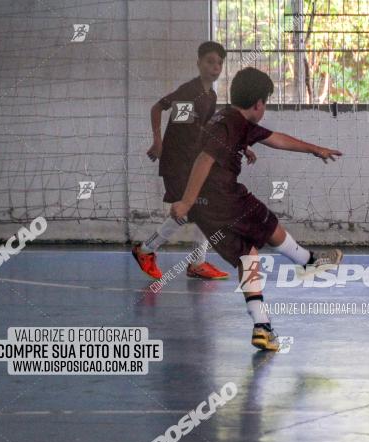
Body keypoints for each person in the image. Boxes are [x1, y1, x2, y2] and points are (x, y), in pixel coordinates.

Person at [170, 67, 343, 351]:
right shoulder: (236, 123)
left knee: (248, 257)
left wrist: (241, 149)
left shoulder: (225, 117)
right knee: (270, 227)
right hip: (226, 198)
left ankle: (261, 326)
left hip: (206, 208)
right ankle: (309, 262)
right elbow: (204, 158)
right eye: (266, 104)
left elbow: (270, 139)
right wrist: (185, 201)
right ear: (259, 104)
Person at [132, 41, 241, 280]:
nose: (215, 67)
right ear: (199, 62)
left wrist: (238, 145)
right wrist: (157, 142)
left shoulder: (210, 95)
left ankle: (196, 263)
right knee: (189, 210)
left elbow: (206, 129)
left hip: (192, 162)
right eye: (210, 61)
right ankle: (146, 250)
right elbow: (157, 109)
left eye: (219, 63)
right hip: (177, 161)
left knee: (204, 207)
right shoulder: (189, 91)